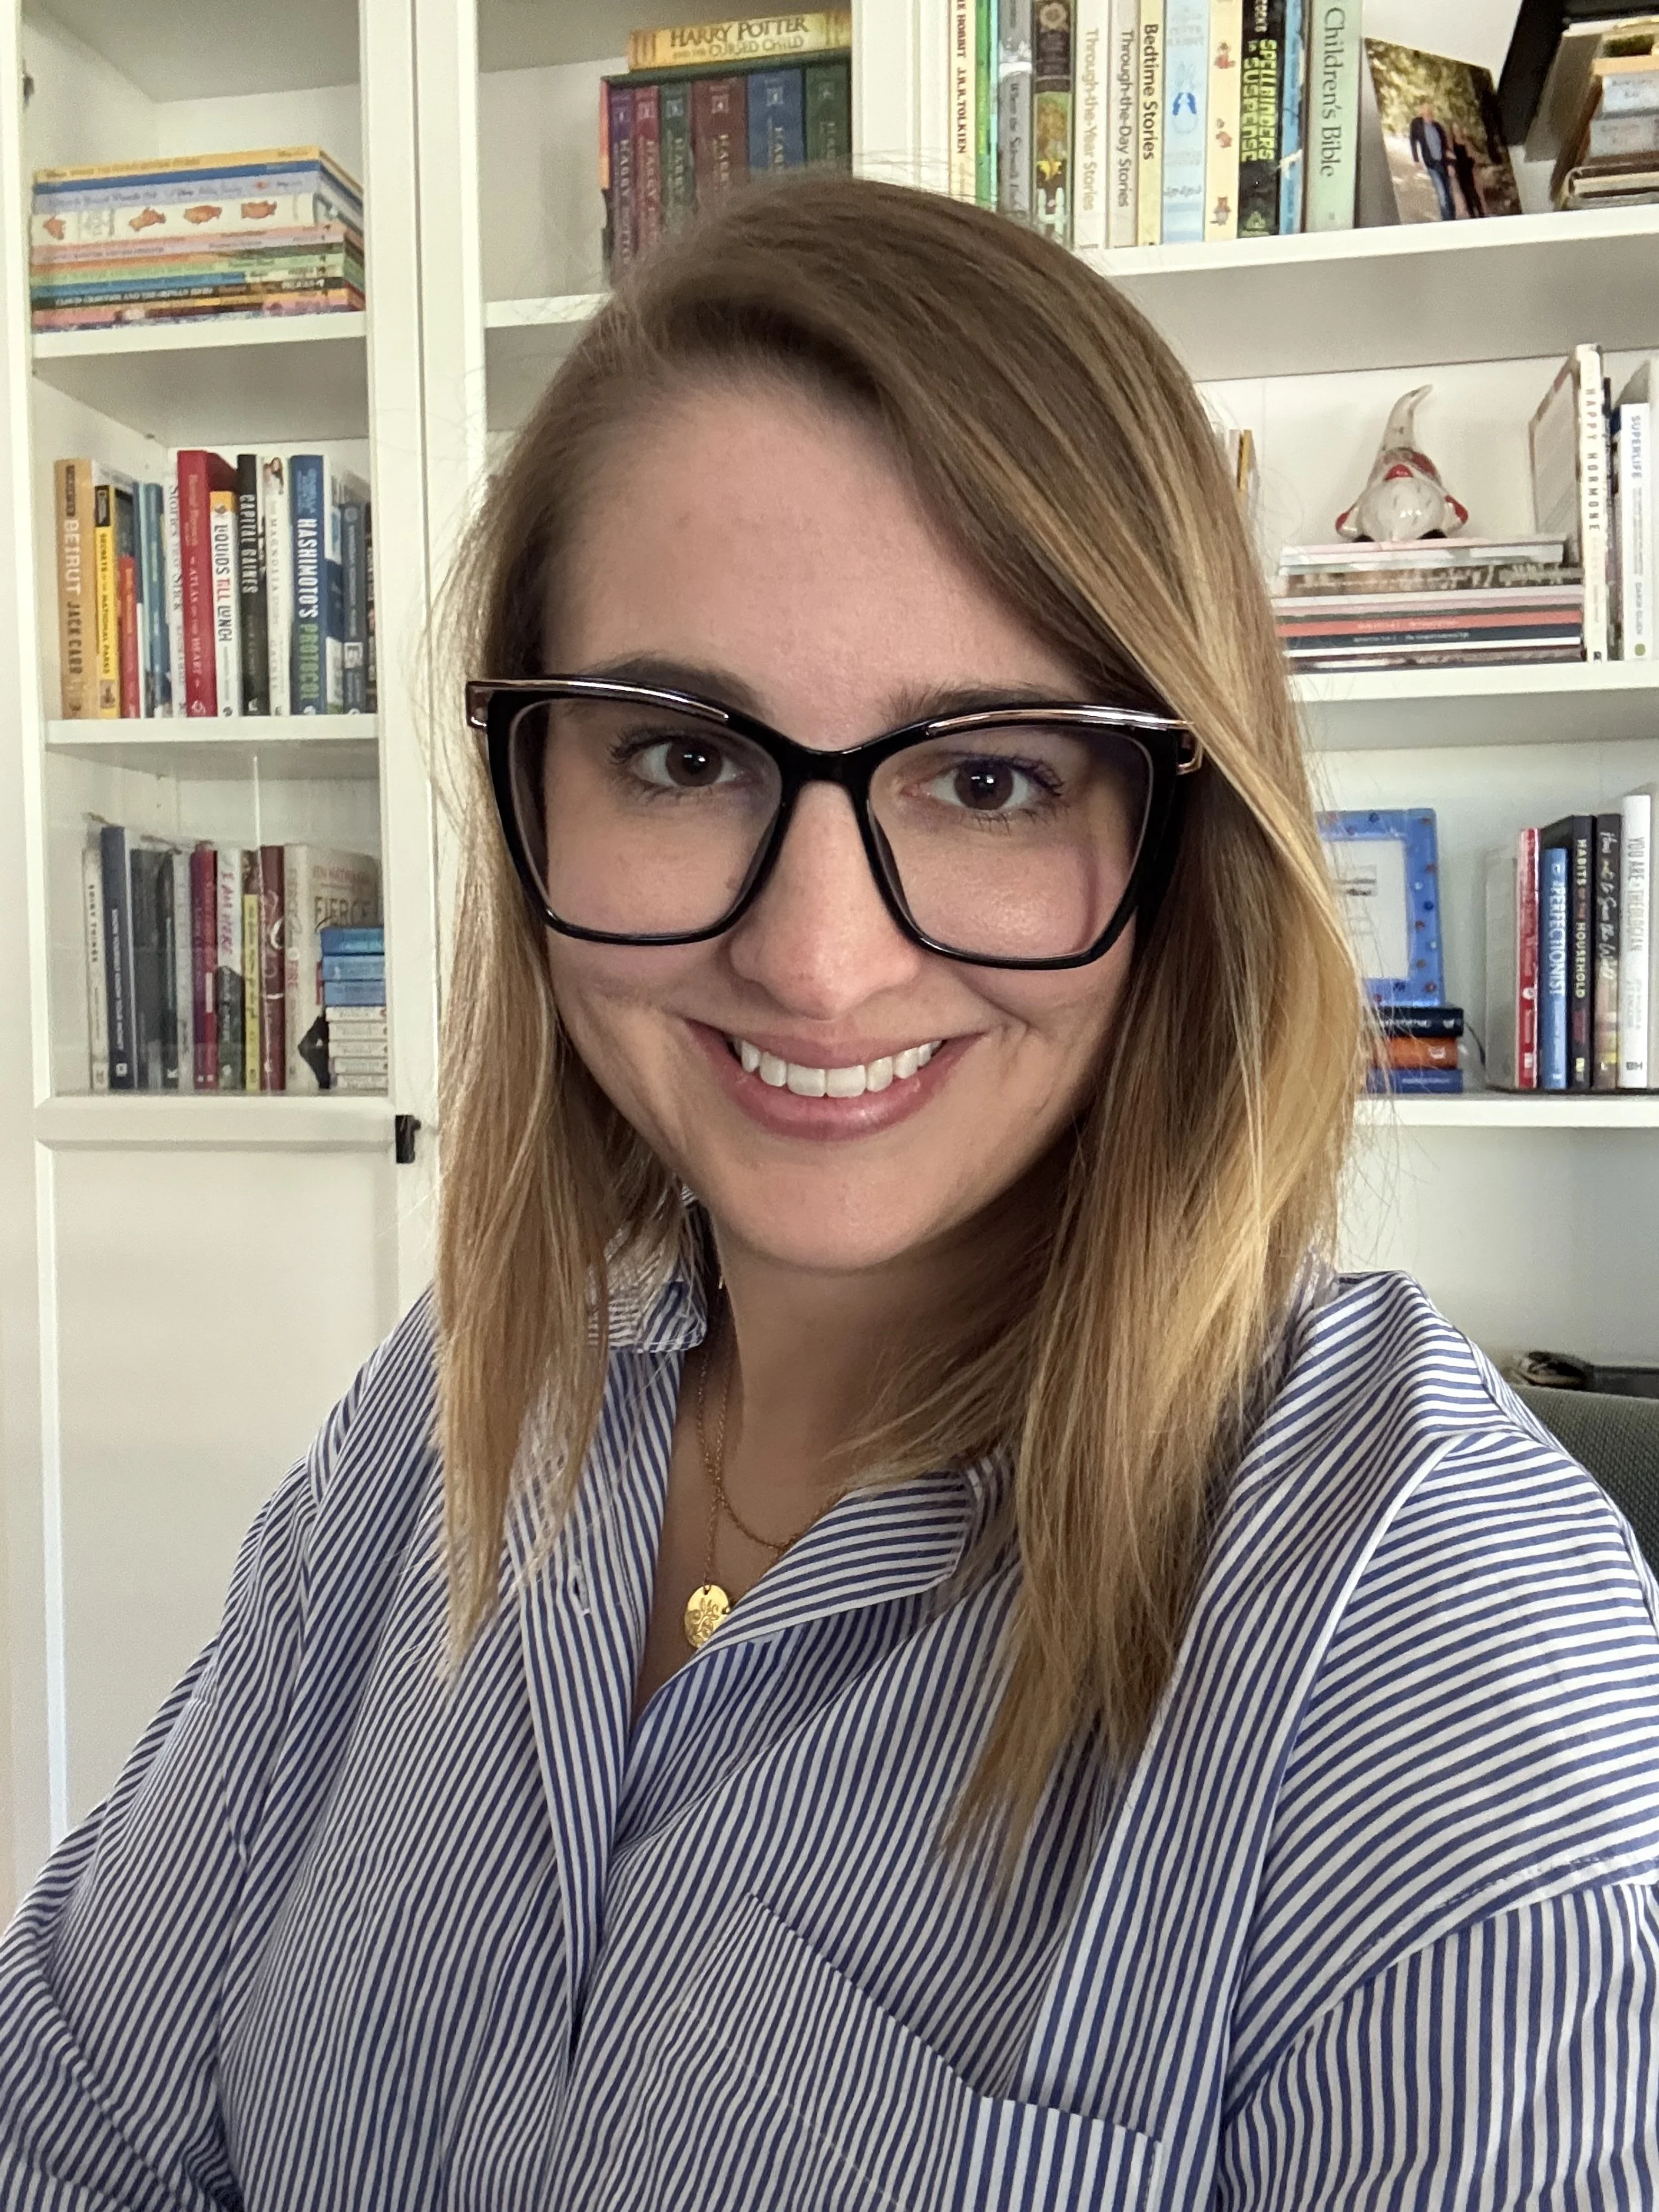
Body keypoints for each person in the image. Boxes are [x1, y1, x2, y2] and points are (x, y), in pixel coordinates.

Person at [2, 175, 1656, 2208]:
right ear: (533, 790)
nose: (812, 960)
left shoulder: (1426, 1668)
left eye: (984, 780)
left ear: (1183, 828)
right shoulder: (448, 1417)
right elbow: (70, 2121)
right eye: (681, 757)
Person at [1409, 97, 1459, 220]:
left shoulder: (1438, 127)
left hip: (1443, 163)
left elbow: (1446, 148)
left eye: (1430, 111)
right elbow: (1413, 141)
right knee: (1442, 196)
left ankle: (1453, 220)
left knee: (1449, 195)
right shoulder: (1417, 124)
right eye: (1425, 110)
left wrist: (1451, 165)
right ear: (1421, 112)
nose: (1428, 113)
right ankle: (1447, 222)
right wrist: (1416, 159)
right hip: (1432, 165)